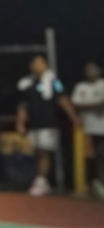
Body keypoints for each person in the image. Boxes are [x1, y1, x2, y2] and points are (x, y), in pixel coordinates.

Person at [15, 54, 79, 197]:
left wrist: (74, 117)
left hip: (49, 123)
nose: (38, 66)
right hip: (33, 125)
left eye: (41, 63)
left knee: (44, 152)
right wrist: (20, 123)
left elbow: (62, 99)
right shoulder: (26, 84)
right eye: (35, 63)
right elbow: (23, 106)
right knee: (36, 152)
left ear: (47, 65)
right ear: (31, 66)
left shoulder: (54, 81)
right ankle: (40, 180)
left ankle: (41, 180)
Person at [71, 60, 104, 199]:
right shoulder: (81, 86)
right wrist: (95, 106)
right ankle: (90, 186)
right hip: (86, 130)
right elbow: (75, 105)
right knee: (89, 158)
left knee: (101, 156)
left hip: (102, 129)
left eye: (93, 68)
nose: (90, 71)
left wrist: (86, 106)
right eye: (87, 69)